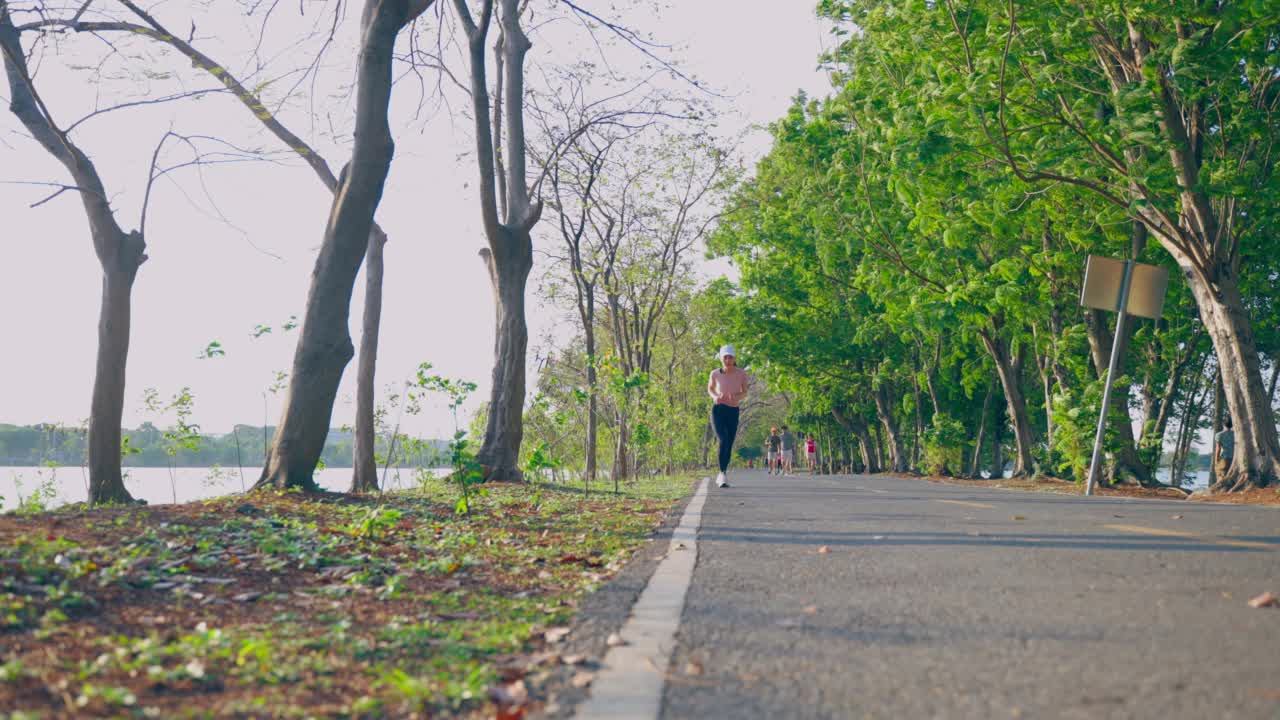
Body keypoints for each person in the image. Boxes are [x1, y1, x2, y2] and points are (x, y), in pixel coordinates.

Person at [707, 345, 749, 488]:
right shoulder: (715, 373)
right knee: (723, 439)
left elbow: (745, 392)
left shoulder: (741, 373)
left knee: (729, 442)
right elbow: (710, 388)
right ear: (721, 359)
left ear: (734, 358)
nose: (727, 360)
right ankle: (722, 473)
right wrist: (715, 396)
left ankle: (724, 472)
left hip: (733, 410)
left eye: (730, 357)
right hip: (718, 409)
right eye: (725, 357)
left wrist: (736, 396)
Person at [1215, 416, 1234, 480]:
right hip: (1234, 458)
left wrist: (1216, 460)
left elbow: (1218, 449)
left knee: (1221, 476)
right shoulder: (1235, 434)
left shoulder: (1219, 435)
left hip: (1224, 458)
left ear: (1223, 423)